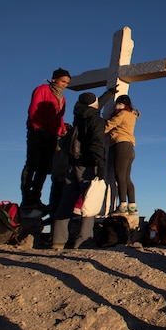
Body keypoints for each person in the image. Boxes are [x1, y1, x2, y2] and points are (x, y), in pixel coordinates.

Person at [51, 89, 113, 249]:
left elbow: (94, 106)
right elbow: (96, 145)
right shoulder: (96, 121)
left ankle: (58, 240)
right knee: (90, 202)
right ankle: (83, 239)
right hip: (88, 166)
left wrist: (108, 93)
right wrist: (100, 165)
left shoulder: (79, 115)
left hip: (71, 164)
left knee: (66, 202)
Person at [20, 68, 71, 212]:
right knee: (31, 164)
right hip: (38, 132)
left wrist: (62, 130)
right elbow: (34, 108)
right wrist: (37, 126)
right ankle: (26, 196)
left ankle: (36, 196)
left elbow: (59, 116)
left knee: (44, 167)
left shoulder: (62, 98)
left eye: (67, 82)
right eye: (63, 81)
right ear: (54, 79)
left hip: (53, 134)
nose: (64, 85)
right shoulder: (42, 89)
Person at [105, 94, 141, 217]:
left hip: (120, 144)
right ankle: (132, 206)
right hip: (130, 147)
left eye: (119, 103)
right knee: (126, 177)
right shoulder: (132, 115)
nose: (117, 105)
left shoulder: (122, 114)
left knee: (119, 176)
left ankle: (122, 206)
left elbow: (108, 126)